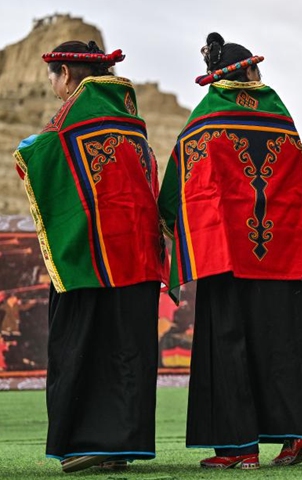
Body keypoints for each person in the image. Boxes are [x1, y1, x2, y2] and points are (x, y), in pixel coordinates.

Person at [158, 33, 302, 470]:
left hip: (229, 257)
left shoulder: (207, 117)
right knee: (287, 342)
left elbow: (179, 187)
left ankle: (240, 448)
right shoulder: (281, 116)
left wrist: (174, 227)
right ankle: (298, 436)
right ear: (251, 73)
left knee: (231, 344)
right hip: (288, 254)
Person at [14, 41, 164, 473]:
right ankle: (122, 445)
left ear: (67, 75)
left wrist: (28, 149)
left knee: (84, 345)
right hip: (137, 256)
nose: (53, 86)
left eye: (53, 77)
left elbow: (35, 159)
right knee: (129, 348)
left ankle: (90, 440)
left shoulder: (70, 120)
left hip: (91, 257)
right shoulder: (132, 122)